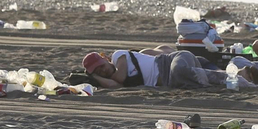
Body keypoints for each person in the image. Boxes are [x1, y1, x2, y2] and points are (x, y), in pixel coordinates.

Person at [83, 46, 216, 90]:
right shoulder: (111, 80)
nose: (102, 70)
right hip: (169, 79)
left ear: (105, 58)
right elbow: (116, 86)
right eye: (97, 71)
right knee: (190, 80)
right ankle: (221, 76)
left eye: (101, 66)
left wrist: (95, 75)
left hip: (168, 63)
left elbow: (120, 78)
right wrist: (94, 76)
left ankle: (226, 77)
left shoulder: (118, 56)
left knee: (180, 71)